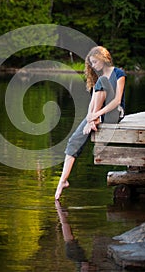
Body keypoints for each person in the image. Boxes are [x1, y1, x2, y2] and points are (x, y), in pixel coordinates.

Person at [55, 46, 126, 200]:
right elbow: (92, 103)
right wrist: (89, 118)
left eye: (94, 62)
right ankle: (63, 181)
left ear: (103, 58)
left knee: (101, 81)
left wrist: (96, 115)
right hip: (96, 115)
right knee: (74, 140)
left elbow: (117, 101)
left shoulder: (119, 73)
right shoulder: (98, 78)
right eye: (91, 63)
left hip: (115, 113)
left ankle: (95, 120)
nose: (93, 66)